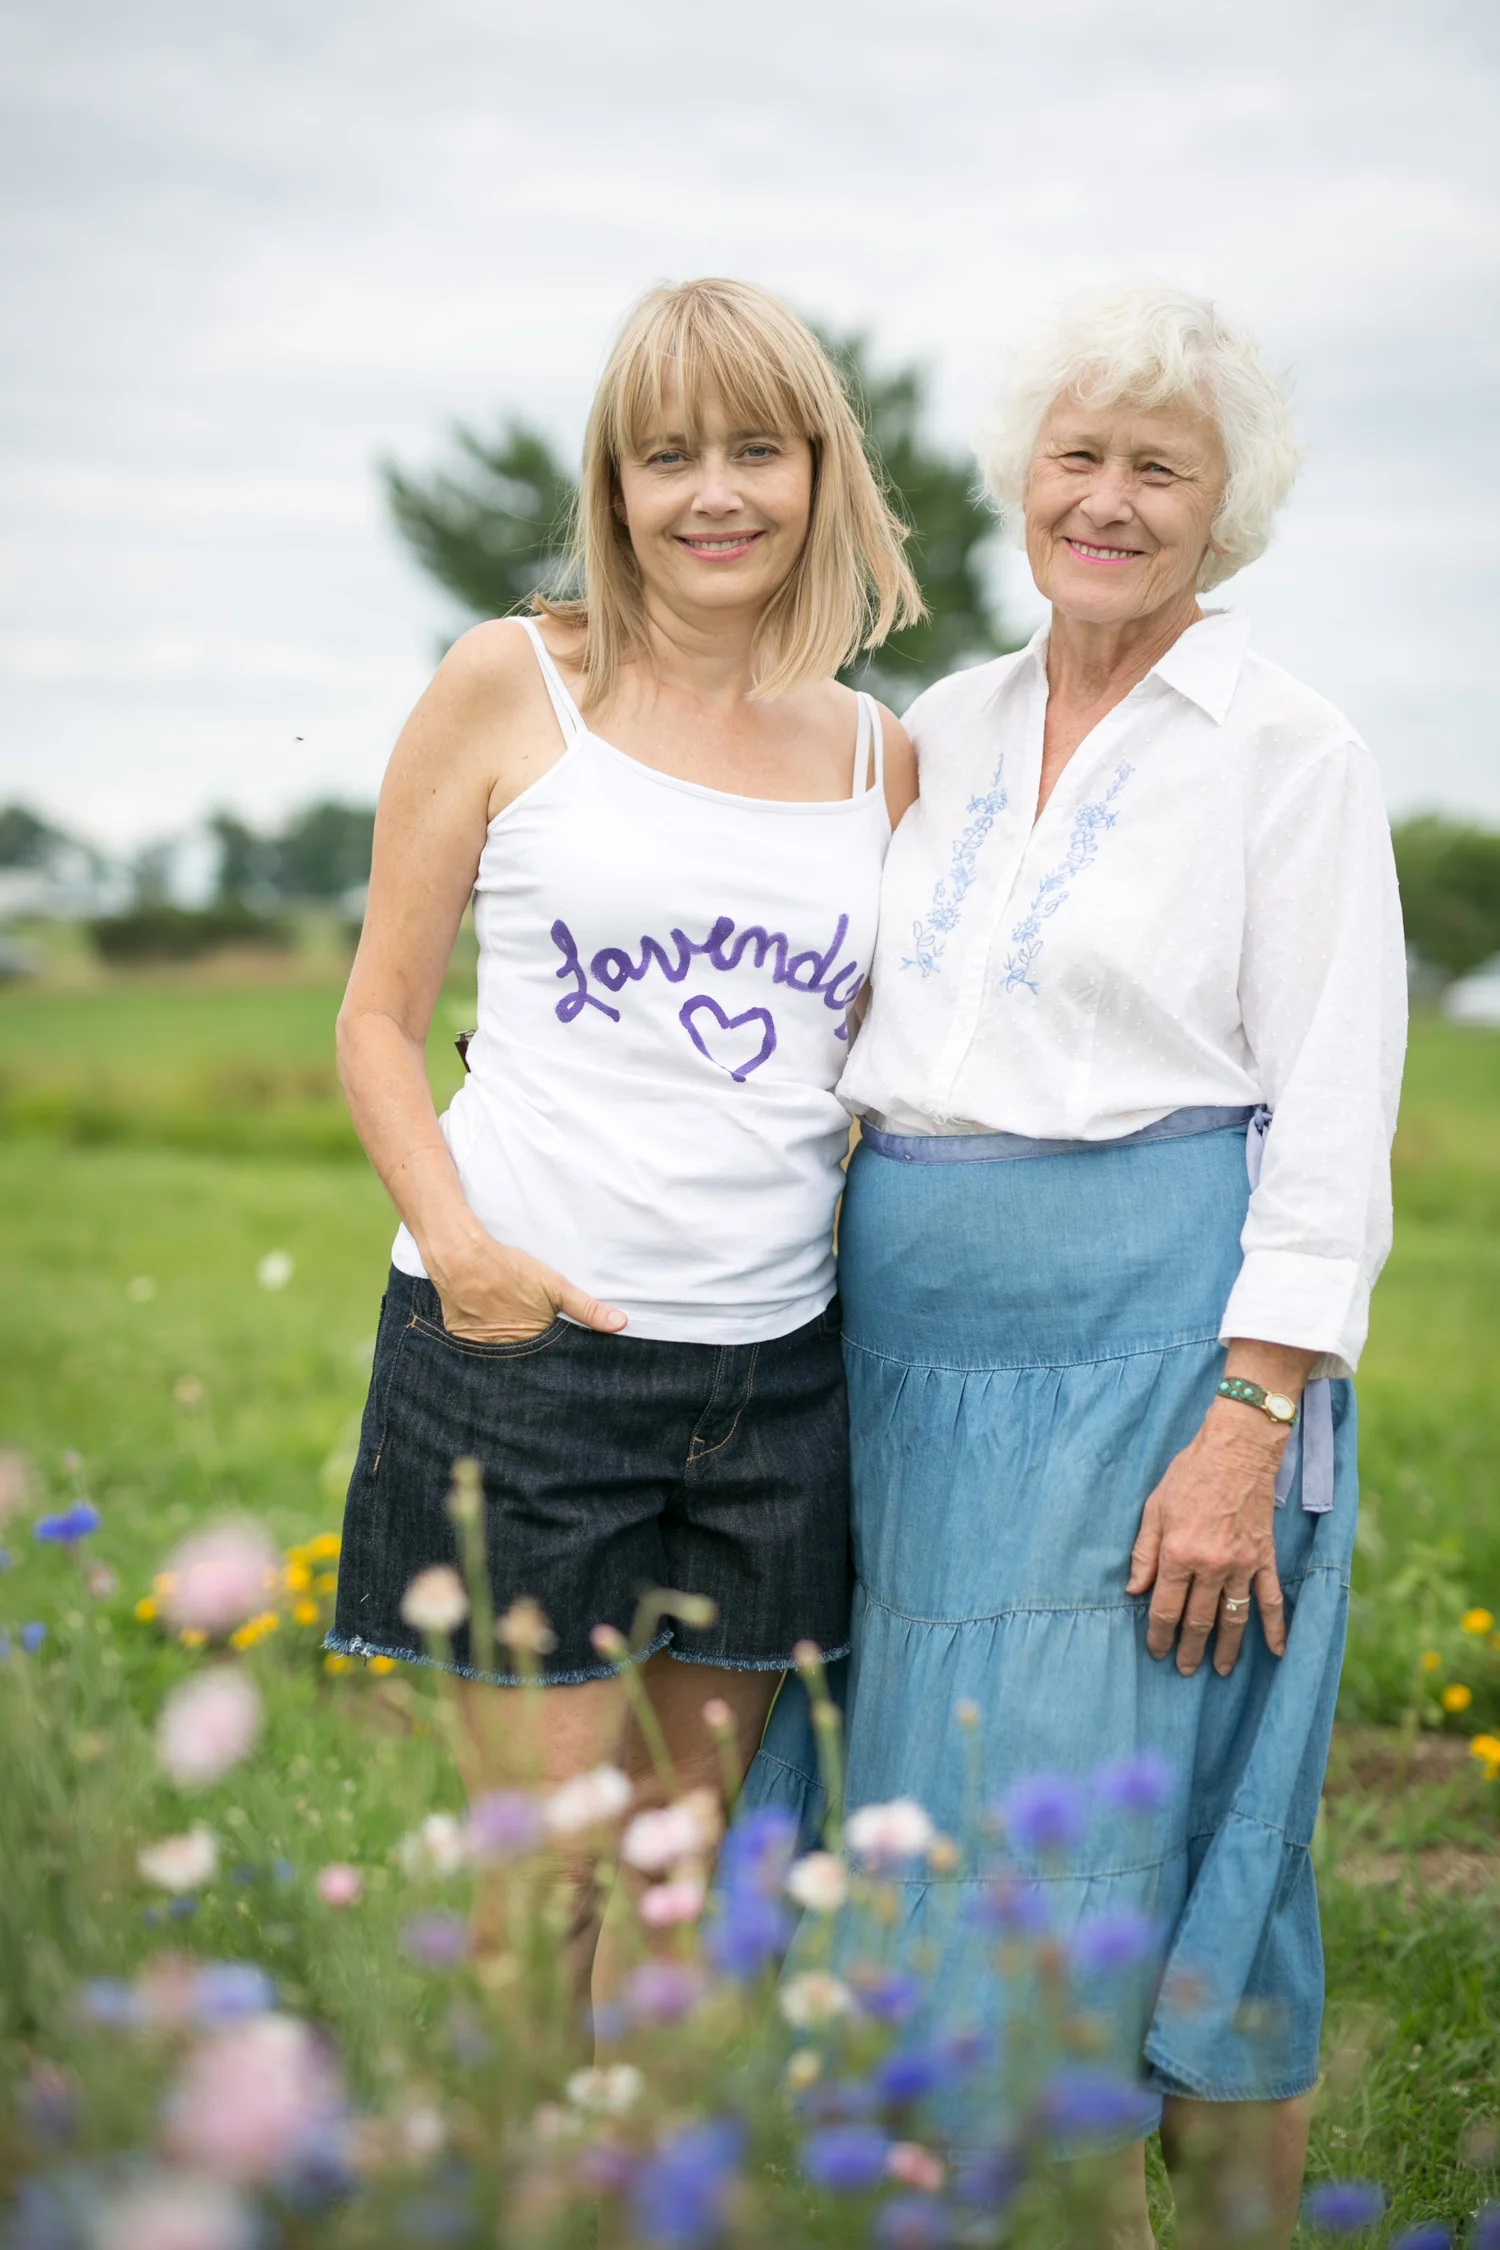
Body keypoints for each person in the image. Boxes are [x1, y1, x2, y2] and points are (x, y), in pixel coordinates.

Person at [743, 282, 1406, 2246]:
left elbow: (1338, 1106)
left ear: (1224, 511)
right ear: (1022, 479)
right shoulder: (936, 727)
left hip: (1157, 1354)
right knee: (934, 1815)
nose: (1108, 500)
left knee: (1143, 1822)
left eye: (1159, 469)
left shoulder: (1289, 748)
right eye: (1079, 457)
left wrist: (1250, 1413)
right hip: (907, 1362)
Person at [329, 277, 919, 1975]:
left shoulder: (879, 755)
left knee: (675, 1888)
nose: (714, 491)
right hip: (533, 1358)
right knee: (546, 1888)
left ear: (821, 472)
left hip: (775, 1377)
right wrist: (462, 1256)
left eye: (756, 448)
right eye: (669, 456)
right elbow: (377, 1014)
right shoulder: (514, 683)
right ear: (615, 483)